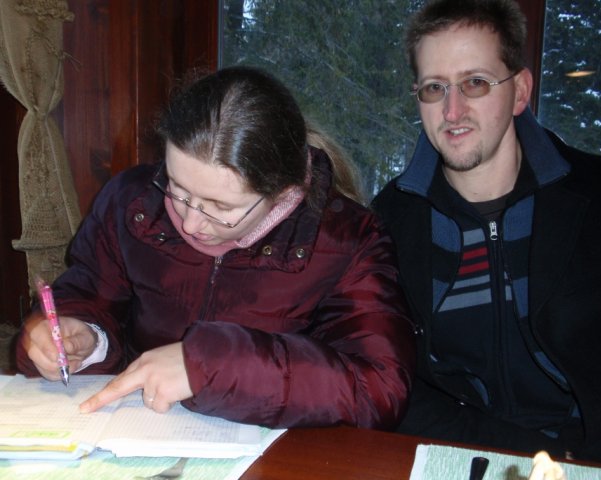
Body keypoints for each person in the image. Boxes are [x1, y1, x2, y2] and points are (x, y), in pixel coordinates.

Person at [16, 65, 416, 430]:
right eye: (177, 188)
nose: (191, 223)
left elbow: (379, 390)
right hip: (140, 432)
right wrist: (85, 336)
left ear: (284, 193)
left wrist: (209, 367)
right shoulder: (131, 201)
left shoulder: (349, 240)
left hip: (276, 455)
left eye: (221, 208)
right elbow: (90, 292)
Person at [372, 0, 601, 467]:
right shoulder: (388, 224)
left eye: (475, 82)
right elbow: (388, 380)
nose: (452, 110)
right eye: (435, 88)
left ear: (520, 92)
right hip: (463, 455)